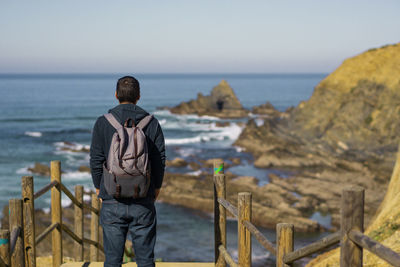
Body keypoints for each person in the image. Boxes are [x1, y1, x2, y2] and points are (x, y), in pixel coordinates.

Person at [90, 76, 165, 267]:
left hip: (111, 198)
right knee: (146, 260)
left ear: (116, 95)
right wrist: (156, 188)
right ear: (138, 96)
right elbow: (159, 161)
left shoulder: (102, 122)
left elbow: (96, 160)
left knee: (113, 260)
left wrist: (99, 190)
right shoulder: (152, 123)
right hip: (143, 198)